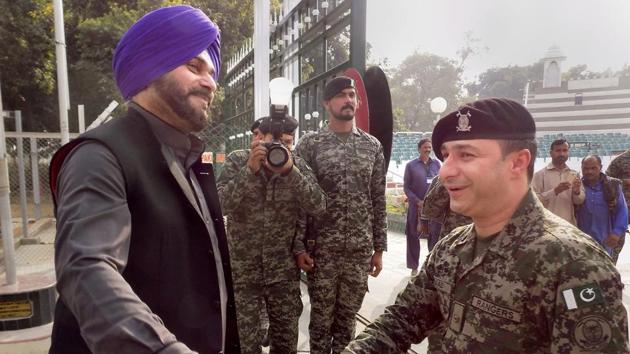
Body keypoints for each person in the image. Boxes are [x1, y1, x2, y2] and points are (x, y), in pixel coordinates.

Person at [344, 98, 628, 353]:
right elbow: (399, 322)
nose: (445, 170)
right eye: (446, 155)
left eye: (466, 155)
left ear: (518, 162)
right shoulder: (452, 247)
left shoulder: (575, 266)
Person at [47, 6, 240, 353]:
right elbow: (86, 269)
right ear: (151, 68)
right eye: (194, 66)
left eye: (211, 72)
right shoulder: (100, 156)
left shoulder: (194, 161)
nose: (210, 82)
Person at [217, 115, 326, 353]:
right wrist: (249, 172)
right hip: (244, 274)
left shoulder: (296, 164)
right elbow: (220, 206)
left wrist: (292, 173)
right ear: (259, 139)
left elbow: (319, 205)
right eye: (274, 142)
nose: (281, 148)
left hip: (283, 274)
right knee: (244, 345)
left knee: (286, 344)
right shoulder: (238, 161)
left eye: (287, 143)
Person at [295, 76, 387, 354]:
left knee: (347, 322)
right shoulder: (310, 144)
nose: (348, 100)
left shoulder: (372, 147)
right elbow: (300, 200)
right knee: (321, 323)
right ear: (327, 103)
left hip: (359, 252)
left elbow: (378, 198)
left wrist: (379, 247)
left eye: (352, 95)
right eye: (341, 95)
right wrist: (298, 245)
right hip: (322, 251)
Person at [577, 155, 628, 261]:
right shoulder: (578, 186)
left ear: (600, 167)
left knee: (606, 271)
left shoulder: (613, 185)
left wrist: (616, 233)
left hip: (606, 238)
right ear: (581, 169)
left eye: (593, 168)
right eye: (586, 168)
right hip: (581, 239)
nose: (589, 171)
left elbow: (622, 211)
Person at [403, 138, 441, 274]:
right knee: (413, 236)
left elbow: (441, 185)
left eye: (429, 147)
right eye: (425, 147)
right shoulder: (411, 165)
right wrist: (417, 201)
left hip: (433, 209)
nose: (428, 149)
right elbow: (406, 187)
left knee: (434, 236)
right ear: (419, 149)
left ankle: (432, 266)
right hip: (416, 207)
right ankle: (414, 267)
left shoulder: (437, 164)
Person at [532, 138, 585, 225]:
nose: (561, 154)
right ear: (551, 153)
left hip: (568, 225)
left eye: (565, 150)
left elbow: (579, 201)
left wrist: (577, 192)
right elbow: (534, 201)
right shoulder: (539, 175)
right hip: (547, 225)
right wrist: (555, 191)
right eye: (558, 150)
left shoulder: (574, 174)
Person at [606, 149, 630, 262]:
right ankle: (611, 270)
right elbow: (607, 180)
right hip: (623, 207)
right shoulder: (620, 160)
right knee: (617, 242)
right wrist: (624, 181)